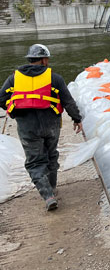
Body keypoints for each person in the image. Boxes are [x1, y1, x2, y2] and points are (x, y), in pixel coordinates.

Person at [0, 44, 83, 211]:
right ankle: (51, 188)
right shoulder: (54, 77)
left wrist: (16, 112)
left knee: (34, 161)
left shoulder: (14, 78)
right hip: (51, 124)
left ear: (30, 60)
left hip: (27, 126)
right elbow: (68, 101)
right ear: (44, 60)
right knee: (51, 155)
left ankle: (47, 195)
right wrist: (76, 119)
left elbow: (1, 99)